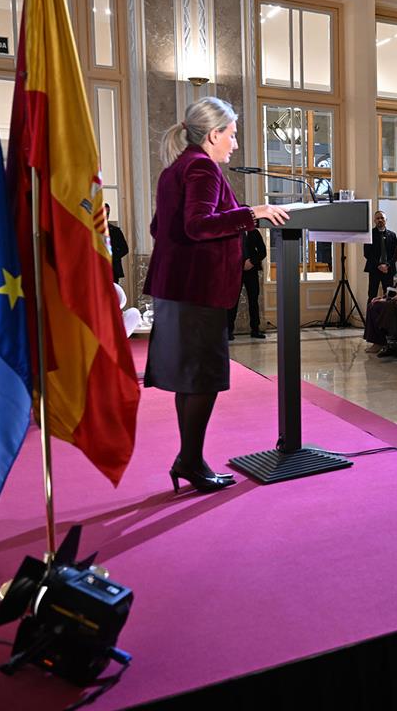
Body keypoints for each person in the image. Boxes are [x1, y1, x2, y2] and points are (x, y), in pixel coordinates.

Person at [144, 97, 290, 494]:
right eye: (233, 134)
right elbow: (197, 225)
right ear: (213, 134)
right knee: (203, 379)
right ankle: (189, 459)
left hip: (174, 289)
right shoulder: (203, 167)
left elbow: (160, 228)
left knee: (188, 379)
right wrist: (251, 213)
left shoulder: (175, 168)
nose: (235, 144)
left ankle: (188, 458)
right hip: (198, 292)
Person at [226, 221, 267, 340]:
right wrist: (240, 264)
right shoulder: (232, 233)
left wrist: (252, 262)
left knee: (253, 300)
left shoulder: (254, 232)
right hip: (235, 271)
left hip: (252, 271)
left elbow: (262, 251)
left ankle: (255, 329)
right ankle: (228, 331)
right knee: (232, 302)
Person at [364, 210, 397, 299]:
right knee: (372, 294)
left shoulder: (392, 235)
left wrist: (386, 265)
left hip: (388, 269)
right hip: (374, 268)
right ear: (374, 221)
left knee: (389, 294)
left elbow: (396, 253)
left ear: (386, 220)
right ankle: (370, 313)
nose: (380, 220)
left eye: (382, 218)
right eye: (377, 218)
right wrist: (379, 265)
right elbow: (367, 253)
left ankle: (387, 313)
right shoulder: (369, 235)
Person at [104, 202, 129, 282]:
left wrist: (112, 256)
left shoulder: (115, 231)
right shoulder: (92, 231)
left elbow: (125, 249)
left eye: (107, 214)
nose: (105, 216)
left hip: (113, 269)